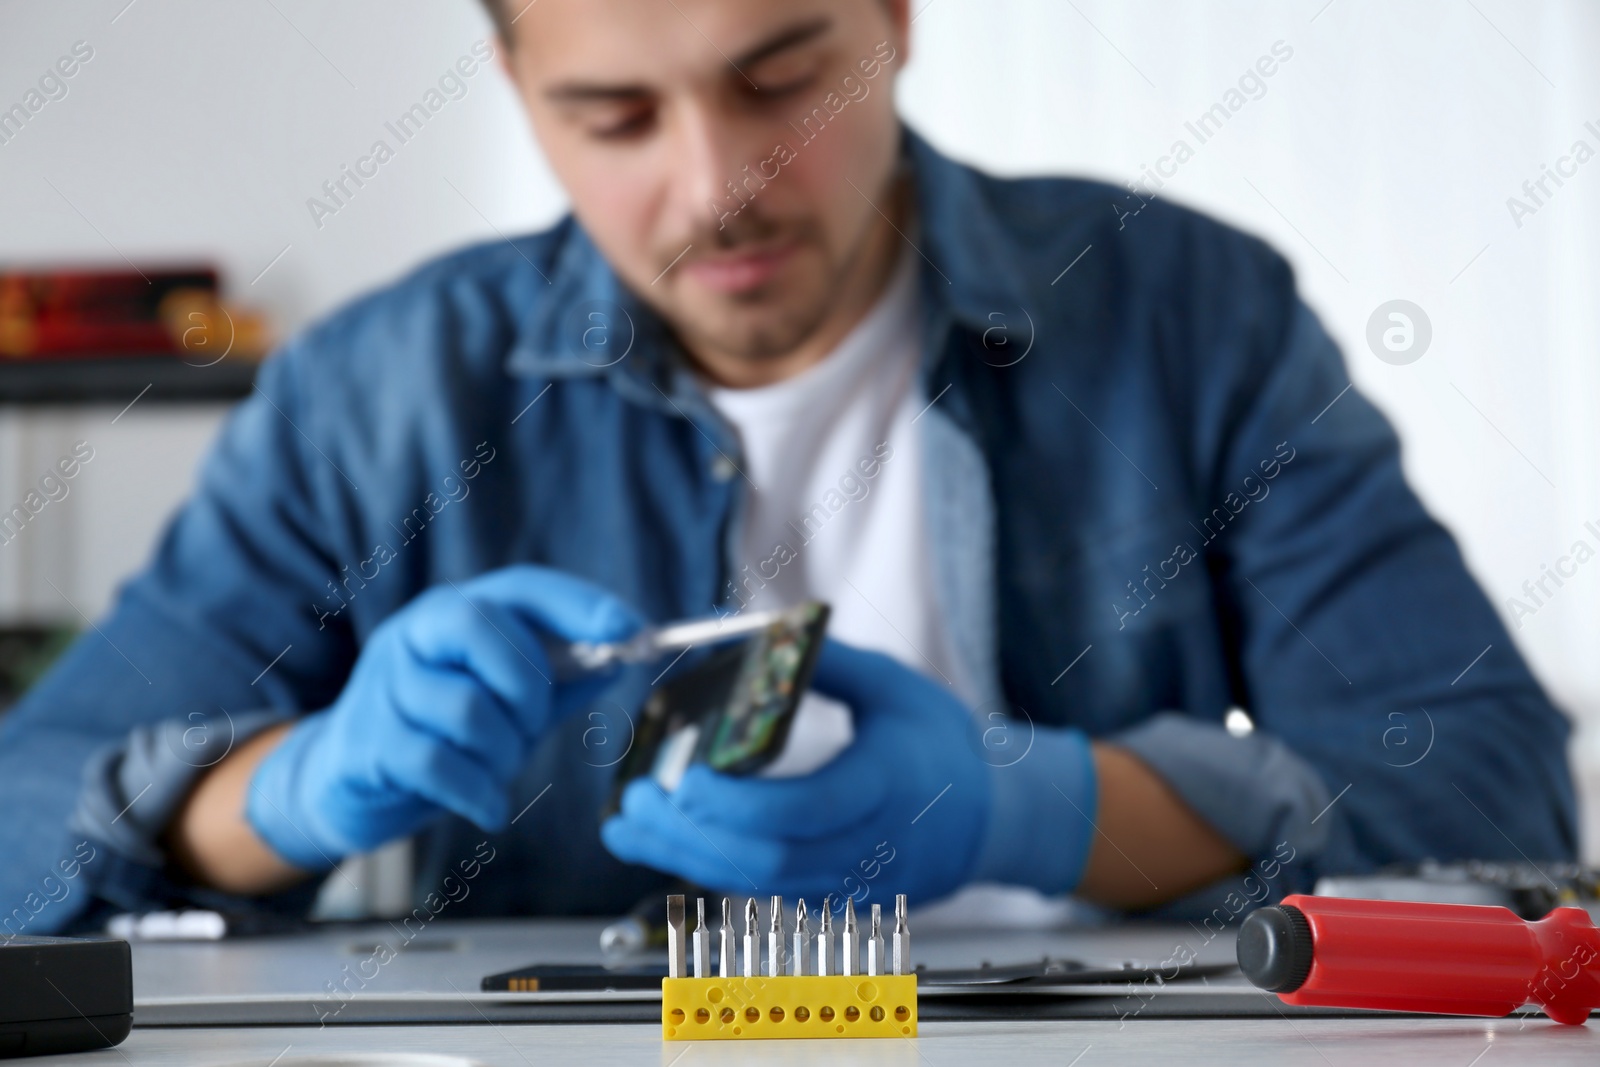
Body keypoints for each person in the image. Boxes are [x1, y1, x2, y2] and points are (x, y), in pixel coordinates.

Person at [0, 0, 1574, 936]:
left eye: (777, 79)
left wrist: (1045, 814)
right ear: (520, 96)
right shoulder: (377, 394)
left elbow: (1490, 781)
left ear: (894, 20)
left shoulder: (1189, 313)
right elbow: (21, 825)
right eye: (610, 112)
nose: (717, 183)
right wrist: (285, 792)